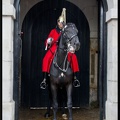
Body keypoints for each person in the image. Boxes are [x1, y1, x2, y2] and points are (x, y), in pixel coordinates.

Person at [41, 8, 80, 89]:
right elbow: (48, 41)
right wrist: (49, 41)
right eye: (59, 22)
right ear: (57, 22)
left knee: (74, 57)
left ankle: (75, 78)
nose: (60, 23)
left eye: (62, 22)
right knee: (46, 58)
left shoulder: (66, 31)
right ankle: (44, 79)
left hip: (65, 48)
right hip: (55, 47)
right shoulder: (53, 31)